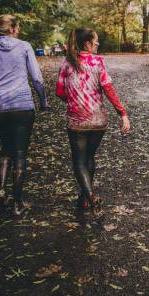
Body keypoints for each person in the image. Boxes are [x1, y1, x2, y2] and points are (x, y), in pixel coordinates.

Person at [0, 14, 50, 216]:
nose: (18, 31)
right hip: (21, 106)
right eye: (17, 28)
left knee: (5, 147)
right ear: (12, 29)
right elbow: (36, 78)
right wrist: (43, 101)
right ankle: (17, 203)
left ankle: (0, 190)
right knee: (20, 152)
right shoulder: (24, 46)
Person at [56, 28, 130, 210]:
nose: (98, 43)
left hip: (77, 121)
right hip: (98, 121)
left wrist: (73, 99)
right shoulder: (98, 62)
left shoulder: (67, 63)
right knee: (89, 157)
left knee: (79, 161)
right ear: (87, 43)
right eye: (95, 41)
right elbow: (109, 89)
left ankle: (90, 196)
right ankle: (84, 197)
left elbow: (59, 92)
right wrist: (123, 114)